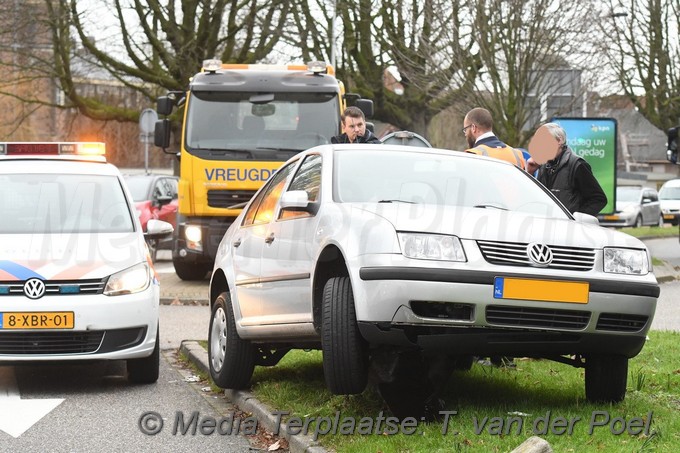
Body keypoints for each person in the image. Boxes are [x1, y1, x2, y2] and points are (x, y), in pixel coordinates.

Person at [533, 123, 607, 216]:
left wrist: (576, 218)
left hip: (569, 228)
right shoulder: (543, 166)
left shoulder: (577, 165)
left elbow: (598, 199)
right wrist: (530, 172)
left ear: (559, 140)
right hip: (547, 226)